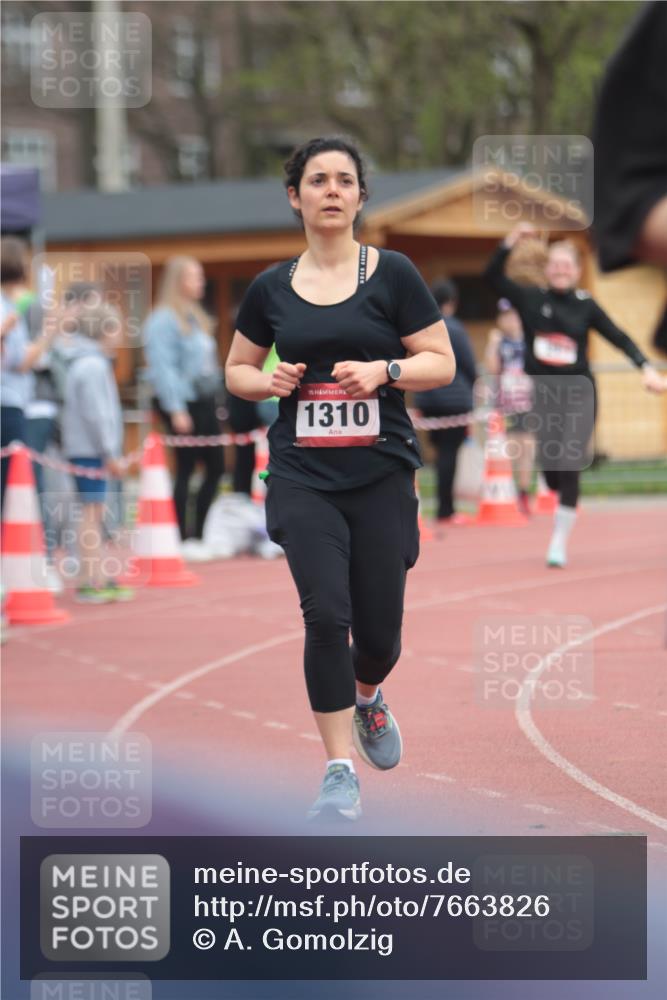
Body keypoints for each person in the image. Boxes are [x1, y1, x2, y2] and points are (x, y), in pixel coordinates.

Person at [225, 136, 455, 820]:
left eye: (344, 180)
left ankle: (367, 696)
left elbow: (440, 362)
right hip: (302, 474)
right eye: (317, 180)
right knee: (326, 614)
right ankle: (337, 772)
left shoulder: (393, 274)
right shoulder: (269, 288)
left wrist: (385, 370)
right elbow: (236, 370)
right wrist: (268, 382)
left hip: (380, 472)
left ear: (359, 197)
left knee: (378, 638)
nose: (331, 190)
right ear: (294, 197)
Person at [485, 222, 665, 567]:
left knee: (570, 461)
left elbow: (618, 336)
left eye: (567, 265)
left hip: (580, 394)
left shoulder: (586, 305)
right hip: (544, 397)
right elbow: (491, 276)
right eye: (555, 265)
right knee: (552, 472)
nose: (561, 270)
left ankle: (559, 540)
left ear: (578, 271)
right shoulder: (531, 298)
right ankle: (554, 489)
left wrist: (646, 368)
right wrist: (510, 241)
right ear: (547, 269)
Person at [144, 256, 224, 557]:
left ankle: (199, 534)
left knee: (216, 466)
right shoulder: (163, 321)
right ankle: (181, 536)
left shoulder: (196, 317)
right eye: (195, 277)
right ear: (179, 281)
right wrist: (176, 408)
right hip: (183, 401)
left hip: (205, 399)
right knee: (186, 468)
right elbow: (163, 368)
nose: (201, 282)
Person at [60, 301, 133, 603]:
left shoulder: (90, 362)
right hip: (89, 449)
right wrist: (111, 452)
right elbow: (97, 414)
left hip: (87, 448)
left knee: (94, 512)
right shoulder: (92, 366)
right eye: (117, 327)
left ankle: (96, 575)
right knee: (92, 513)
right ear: (104, 329)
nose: (121, 334)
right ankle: (91, 579)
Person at [414, 279, 477, 524]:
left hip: (427, 397)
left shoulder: (422, 327)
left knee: (441, 452)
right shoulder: (455, 328)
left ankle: (442, 506)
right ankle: (446, 509)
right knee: (450, 453)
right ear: (451, 302)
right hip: (454, 400)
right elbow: (468, 365)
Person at [1, 237, 57, 511]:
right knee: (10, 482)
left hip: (11, 400)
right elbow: (19, 361)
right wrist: (48, 335)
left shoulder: (11, 306)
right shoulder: (7, 308)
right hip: (7, 402)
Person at [484, 298, 535, 516]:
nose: (510, 320)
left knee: (528, 447)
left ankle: (524, 492)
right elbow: (492, 368)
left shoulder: (530, 340)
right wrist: (492, 344)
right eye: (505, 316)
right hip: (507, 404)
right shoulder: (500, 342)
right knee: (511, 447)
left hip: (529, 401)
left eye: (513, 315)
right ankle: (510, 490)